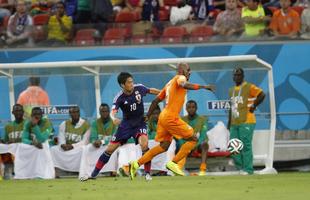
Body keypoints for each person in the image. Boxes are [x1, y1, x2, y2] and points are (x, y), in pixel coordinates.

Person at [129, 63, 215, 179]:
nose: (189, 72)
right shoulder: (181, 77)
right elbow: (184, 84)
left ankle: (136, 163)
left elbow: (155, 101)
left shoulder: (169, 83)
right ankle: (173, 163)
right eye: (188, 70)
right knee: (194, 138)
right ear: (181, 70)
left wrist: (148, 115)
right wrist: (204, 87)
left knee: (164, 146)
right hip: (171, 117)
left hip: (163, 116)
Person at [80, 72, 160, 181]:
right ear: (122, 85)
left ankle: (147, 174)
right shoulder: (119, 98)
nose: (132, 84)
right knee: (109, 150)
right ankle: (93, 175)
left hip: (139, 123)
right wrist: (113, 119)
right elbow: (113, 112)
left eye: (132, 81)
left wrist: (164, 93)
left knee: (144, 144)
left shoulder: (139, 88)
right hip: (125, 126)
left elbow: (151, 90)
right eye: (129, 82)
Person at [227, 67, 265, 175]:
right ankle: (241, 167)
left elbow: (262, 94)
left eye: (239, 75)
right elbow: (231, 106)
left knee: (246, 145)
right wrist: (229, 122)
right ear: (233, 77)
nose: (236, 77)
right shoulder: (231, 90)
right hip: (235, 122)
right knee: (233, 146)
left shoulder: (249, 87)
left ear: (243, 76)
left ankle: (248, 169)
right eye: (235, 75)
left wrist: (254, 105)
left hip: (247, 121)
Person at [177, 100, 209, 176]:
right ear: (186, 109)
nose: (191, 109)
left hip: (198, 145)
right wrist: (187, 147)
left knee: (205, 144)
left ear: (196, 108)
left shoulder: (202, 119)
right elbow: (179, 136)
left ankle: (202, 169)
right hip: (186, 145)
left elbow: (203, 135)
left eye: (193, 107)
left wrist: (194, 146)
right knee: (181, 146)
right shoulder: (182, 120)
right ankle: (179, 169)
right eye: (189, 107)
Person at [0, 104, 25, 179]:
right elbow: (6, 141)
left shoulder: (28, 124)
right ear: (12, 112)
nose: (18, 112)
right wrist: (3, 141)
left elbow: (31, 139)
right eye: (16, 111)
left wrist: (16, 141)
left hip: (25, 152)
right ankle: (6, 174)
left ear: (23, 112)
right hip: (12, 155)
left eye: (20, 110)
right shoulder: (8, 126)